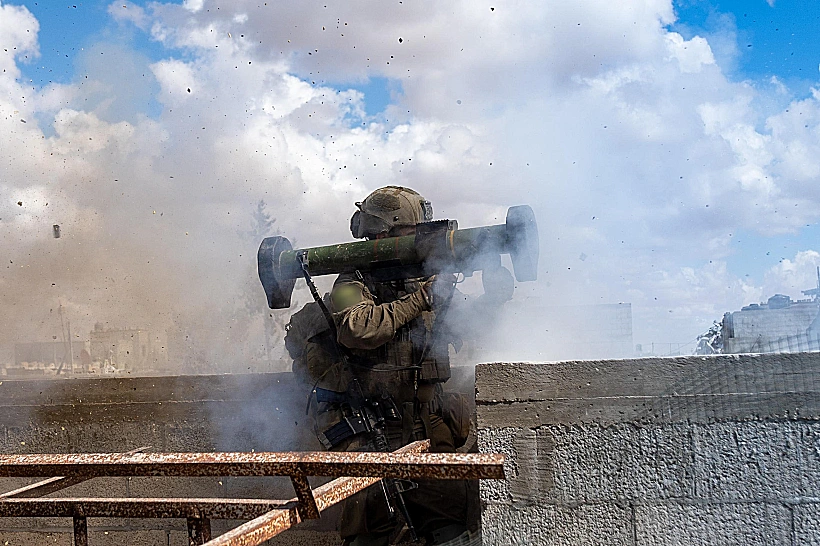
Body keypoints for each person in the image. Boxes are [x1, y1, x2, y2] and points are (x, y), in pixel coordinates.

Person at [288, 186, 513, 545]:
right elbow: (357, 329)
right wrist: (421, 298)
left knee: (451, 525)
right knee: (370, 531)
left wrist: (494, 299)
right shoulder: (351, 280)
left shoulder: (421, 277)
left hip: (426, 424)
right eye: (412, 232)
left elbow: (461, 328)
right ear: (382, 234)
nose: (421, 239)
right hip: (374, 425)